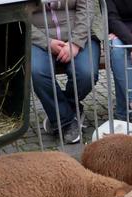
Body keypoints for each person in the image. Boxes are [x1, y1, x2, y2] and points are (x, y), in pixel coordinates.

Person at [31, 0, 103, 144]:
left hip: (80, 35)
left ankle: (62, 111)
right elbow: (18, 16)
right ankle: (66, 121)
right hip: (38, 39)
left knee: (86, 73)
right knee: (37, 72)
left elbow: (87, 9)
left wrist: (75, 43)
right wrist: (47, 42)